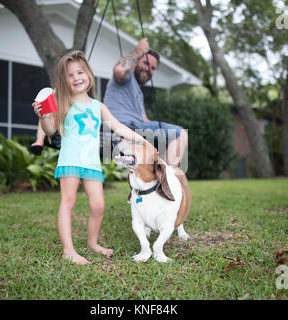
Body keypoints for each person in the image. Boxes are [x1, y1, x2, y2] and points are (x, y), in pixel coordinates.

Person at [32, 50, 145, 265]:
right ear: (64, 80)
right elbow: (48, 130)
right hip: (70, 160)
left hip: (92, 163)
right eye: (70, 75)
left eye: (80, 72)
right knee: (68, 202)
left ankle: (92, 243)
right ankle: (68, 250)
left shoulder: (98, 106)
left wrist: (140, 139)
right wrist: (44, 116)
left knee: (98, 205)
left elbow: (118, 126)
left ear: (89, 75)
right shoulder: (63, 104)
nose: (76, 78)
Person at [31, 38, 188, 168]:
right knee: (180, 133)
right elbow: (120, 70)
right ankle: (169, 178)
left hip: (136, 128)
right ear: (135, 62)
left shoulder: (138, 92)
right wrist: (139, 51)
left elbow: (145, 121)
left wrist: (151, 142)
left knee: (167, 140)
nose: (149, 69)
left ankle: (160, 177)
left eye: (153, 68)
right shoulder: (125, 78)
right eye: (146, 63)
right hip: (119, 127)